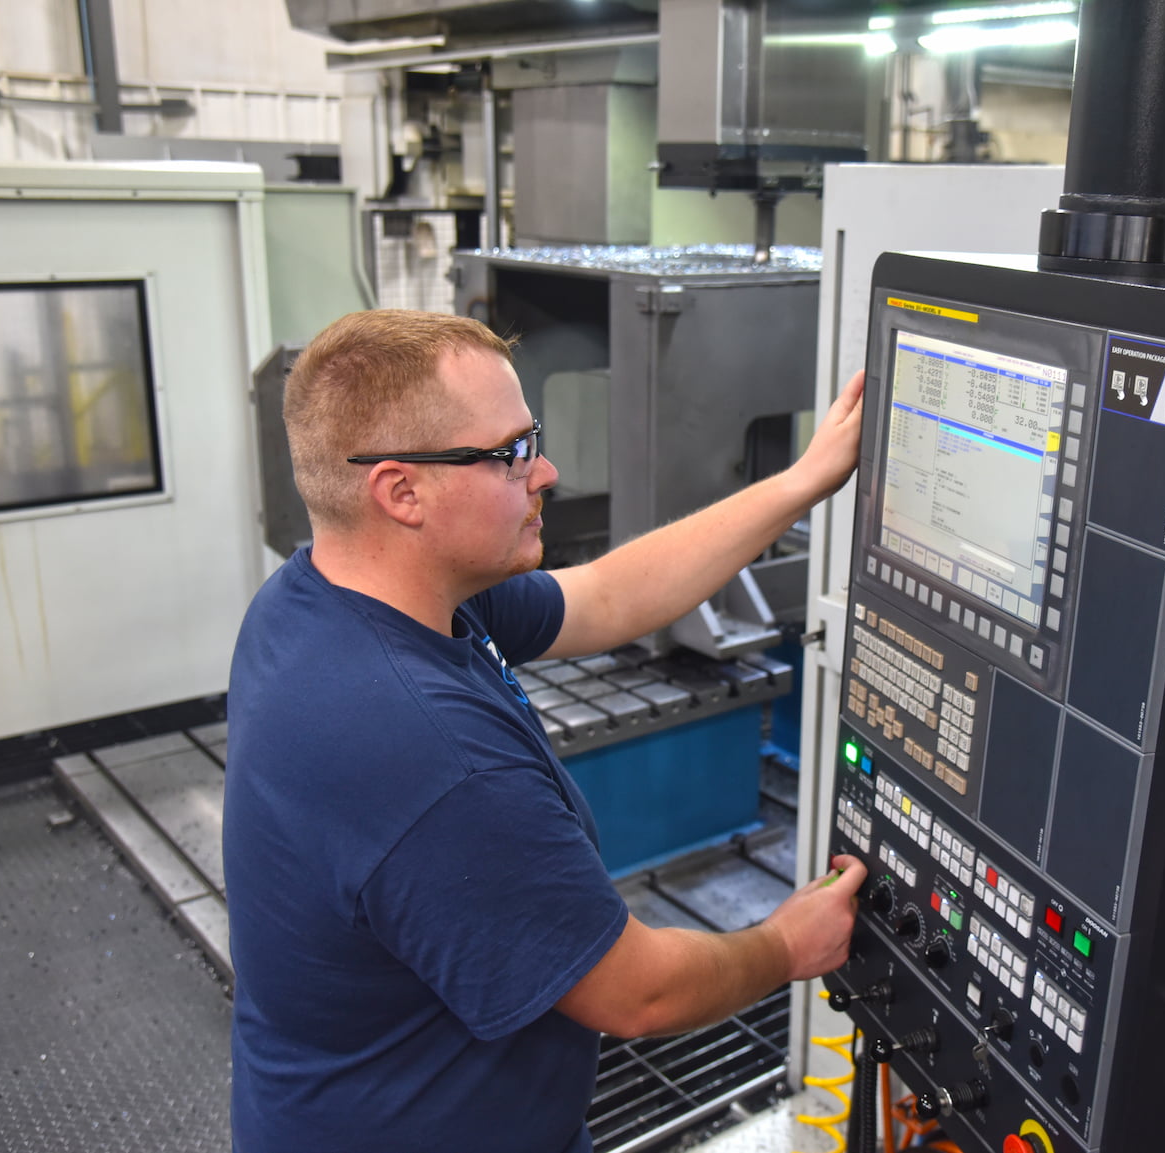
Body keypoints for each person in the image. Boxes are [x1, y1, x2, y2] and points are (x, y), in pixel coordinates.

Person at [222, 308, 869, 1153]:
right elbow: (640, 992)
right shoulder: (431, 759)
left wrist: (805, 479)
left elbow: (606, 595)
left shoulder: (323, 596)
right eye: (511, 452)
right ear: (401, 491)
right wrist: (785, 945)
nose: (547, 472)